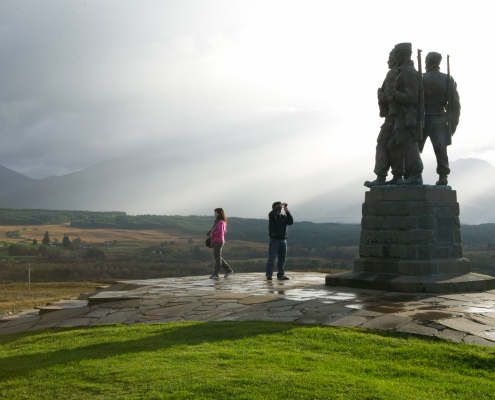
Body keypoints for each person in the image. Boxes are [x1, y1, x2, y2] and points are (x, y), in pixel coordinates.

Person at [420, 51, 461, 185]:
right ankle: (443, 175)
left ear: (431, 62)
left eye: (426, 61)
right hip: (440, 120)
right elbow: (455, 104)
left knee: (415, 148)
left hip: (424, 120)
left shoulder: (421, 78)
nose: (425, 63)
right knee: (441, 149)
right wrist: (454, 122)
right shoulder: (447, 79)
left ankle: (412, 173)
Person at [387, 42, 424, 185]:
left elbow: (411, 98)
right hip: (401, 116)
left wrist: (393, 92)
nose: (394, 58)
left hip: (407, 116)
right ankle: (398, 176)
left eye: (396, 55)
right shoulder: (404, 71)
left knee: (410, 145)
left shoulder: (408, 72)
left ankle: (415, 175)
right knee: (394, 145)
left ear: (401, 55)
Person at [364, 49, 401, 187]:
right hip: (396, 117)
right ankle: (395, 176)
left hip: (394, 117)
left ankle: (382, 177)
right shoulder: (402, 72)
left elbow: (391, 96)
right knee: (393, 145)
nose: (388, 61)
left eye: (390, 58)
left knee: (383, 144)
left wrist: (380, 95)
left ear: (397, 57)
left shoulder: (393, 74)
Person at [265, 202, 293, 281]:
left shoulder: (283, 217)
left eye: (280, 207)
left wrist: (286, 210)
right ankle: (269, 275)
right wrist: (279, 207)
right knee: (271, 259)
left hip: (283, 240)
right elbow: (271, 213)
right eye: (278, 207)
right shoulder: (273, 217)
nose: (280, 208)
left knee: (282, 259)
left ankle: (281, 275)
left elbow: (291, 221)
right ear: (274, 208)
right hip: (274, 240)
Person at [208, 208, 233, 279]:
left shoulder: (220, 222)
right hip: (218, 241)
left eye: (215, 213)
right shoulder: (221, 222)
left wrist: (212, 233)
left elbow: (221, 232)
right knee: (218, 257)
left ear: (219, 213)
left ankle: (216, 274)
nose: (214, 214)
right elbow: (225, 230)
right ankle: (228, 270)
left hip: (218, 241)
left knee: (217, 258)